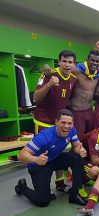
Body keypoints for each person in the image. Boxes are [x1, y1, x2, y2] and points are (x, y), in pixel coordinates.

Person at [15, 109, 87, 207]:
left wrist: (80, 150)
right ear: (56, 122)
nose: (66, 126)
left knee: (77, 158)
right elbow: (21, 155)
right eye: (63, 122)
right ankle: (22, 187)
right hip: (39, 165)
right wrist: (36, 159)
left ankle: (74, 194)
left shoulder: (72, 130)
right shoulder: (44, 137)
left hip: (54, 160)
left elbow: (76, 146)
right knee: (42, 201)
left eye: (69, 123)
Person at [33, 50, 77, 192]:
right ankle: (40, 180)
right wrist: (50, 84)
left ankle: (59, 181)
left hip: (60, 122)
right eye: (64, 61)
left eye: (70, 62)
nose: (67, 64)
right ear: (59, 62)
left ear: (74, 64)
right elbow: (36, 98)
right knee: (43, 153)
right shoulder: (47, 74)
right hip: (43, 120)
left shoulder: (73, 79)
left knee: (60, 150)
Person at [70, 49, 99, 139]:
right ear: (87, 60)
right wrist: (46, 67)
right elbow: (61, 70)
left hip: (89, 111)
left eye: (97, 61)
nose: (95, 63)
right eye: (92, 60)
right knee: (78, 138)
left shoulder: (98, 75)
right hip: (76, 112)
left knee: (92, 136)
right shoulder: (77, 71)